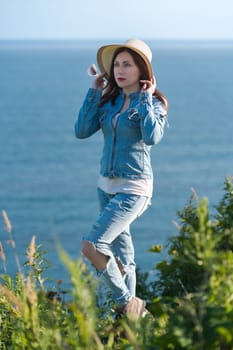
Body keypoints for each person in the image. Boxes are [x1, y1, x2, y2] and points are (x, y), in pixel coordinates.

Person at [75, 39, 168, 319]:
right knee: (124, 258)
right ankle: (130, 325)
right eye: (116, 64)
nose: (120, 69)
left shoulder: (154, 104)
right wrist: (94, 92)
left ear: (142, 70)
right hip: (106, 187)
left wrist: (144, 98)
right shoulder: (109, 102)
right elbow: (81, 130)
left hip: (134, 188)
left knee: (92, 246)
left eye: (127, 64)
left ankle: (128, 304)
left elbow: (152, 137)